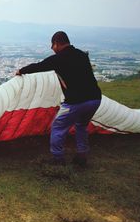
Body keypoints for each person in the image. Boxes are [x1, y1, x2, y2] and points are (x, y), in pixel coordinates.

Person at [16, 31, 102, 167]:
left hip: (76, 102)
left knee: (58, 127)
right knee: (81, 125)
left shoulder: (59, 58)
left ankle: (58, 159)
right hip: (95, 99)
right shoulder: (82, 55)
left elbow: (39, 66)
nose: (52, 48)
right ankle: (82, 156)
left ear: (56, 44)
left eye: (52, 45)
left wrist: (21, 71)